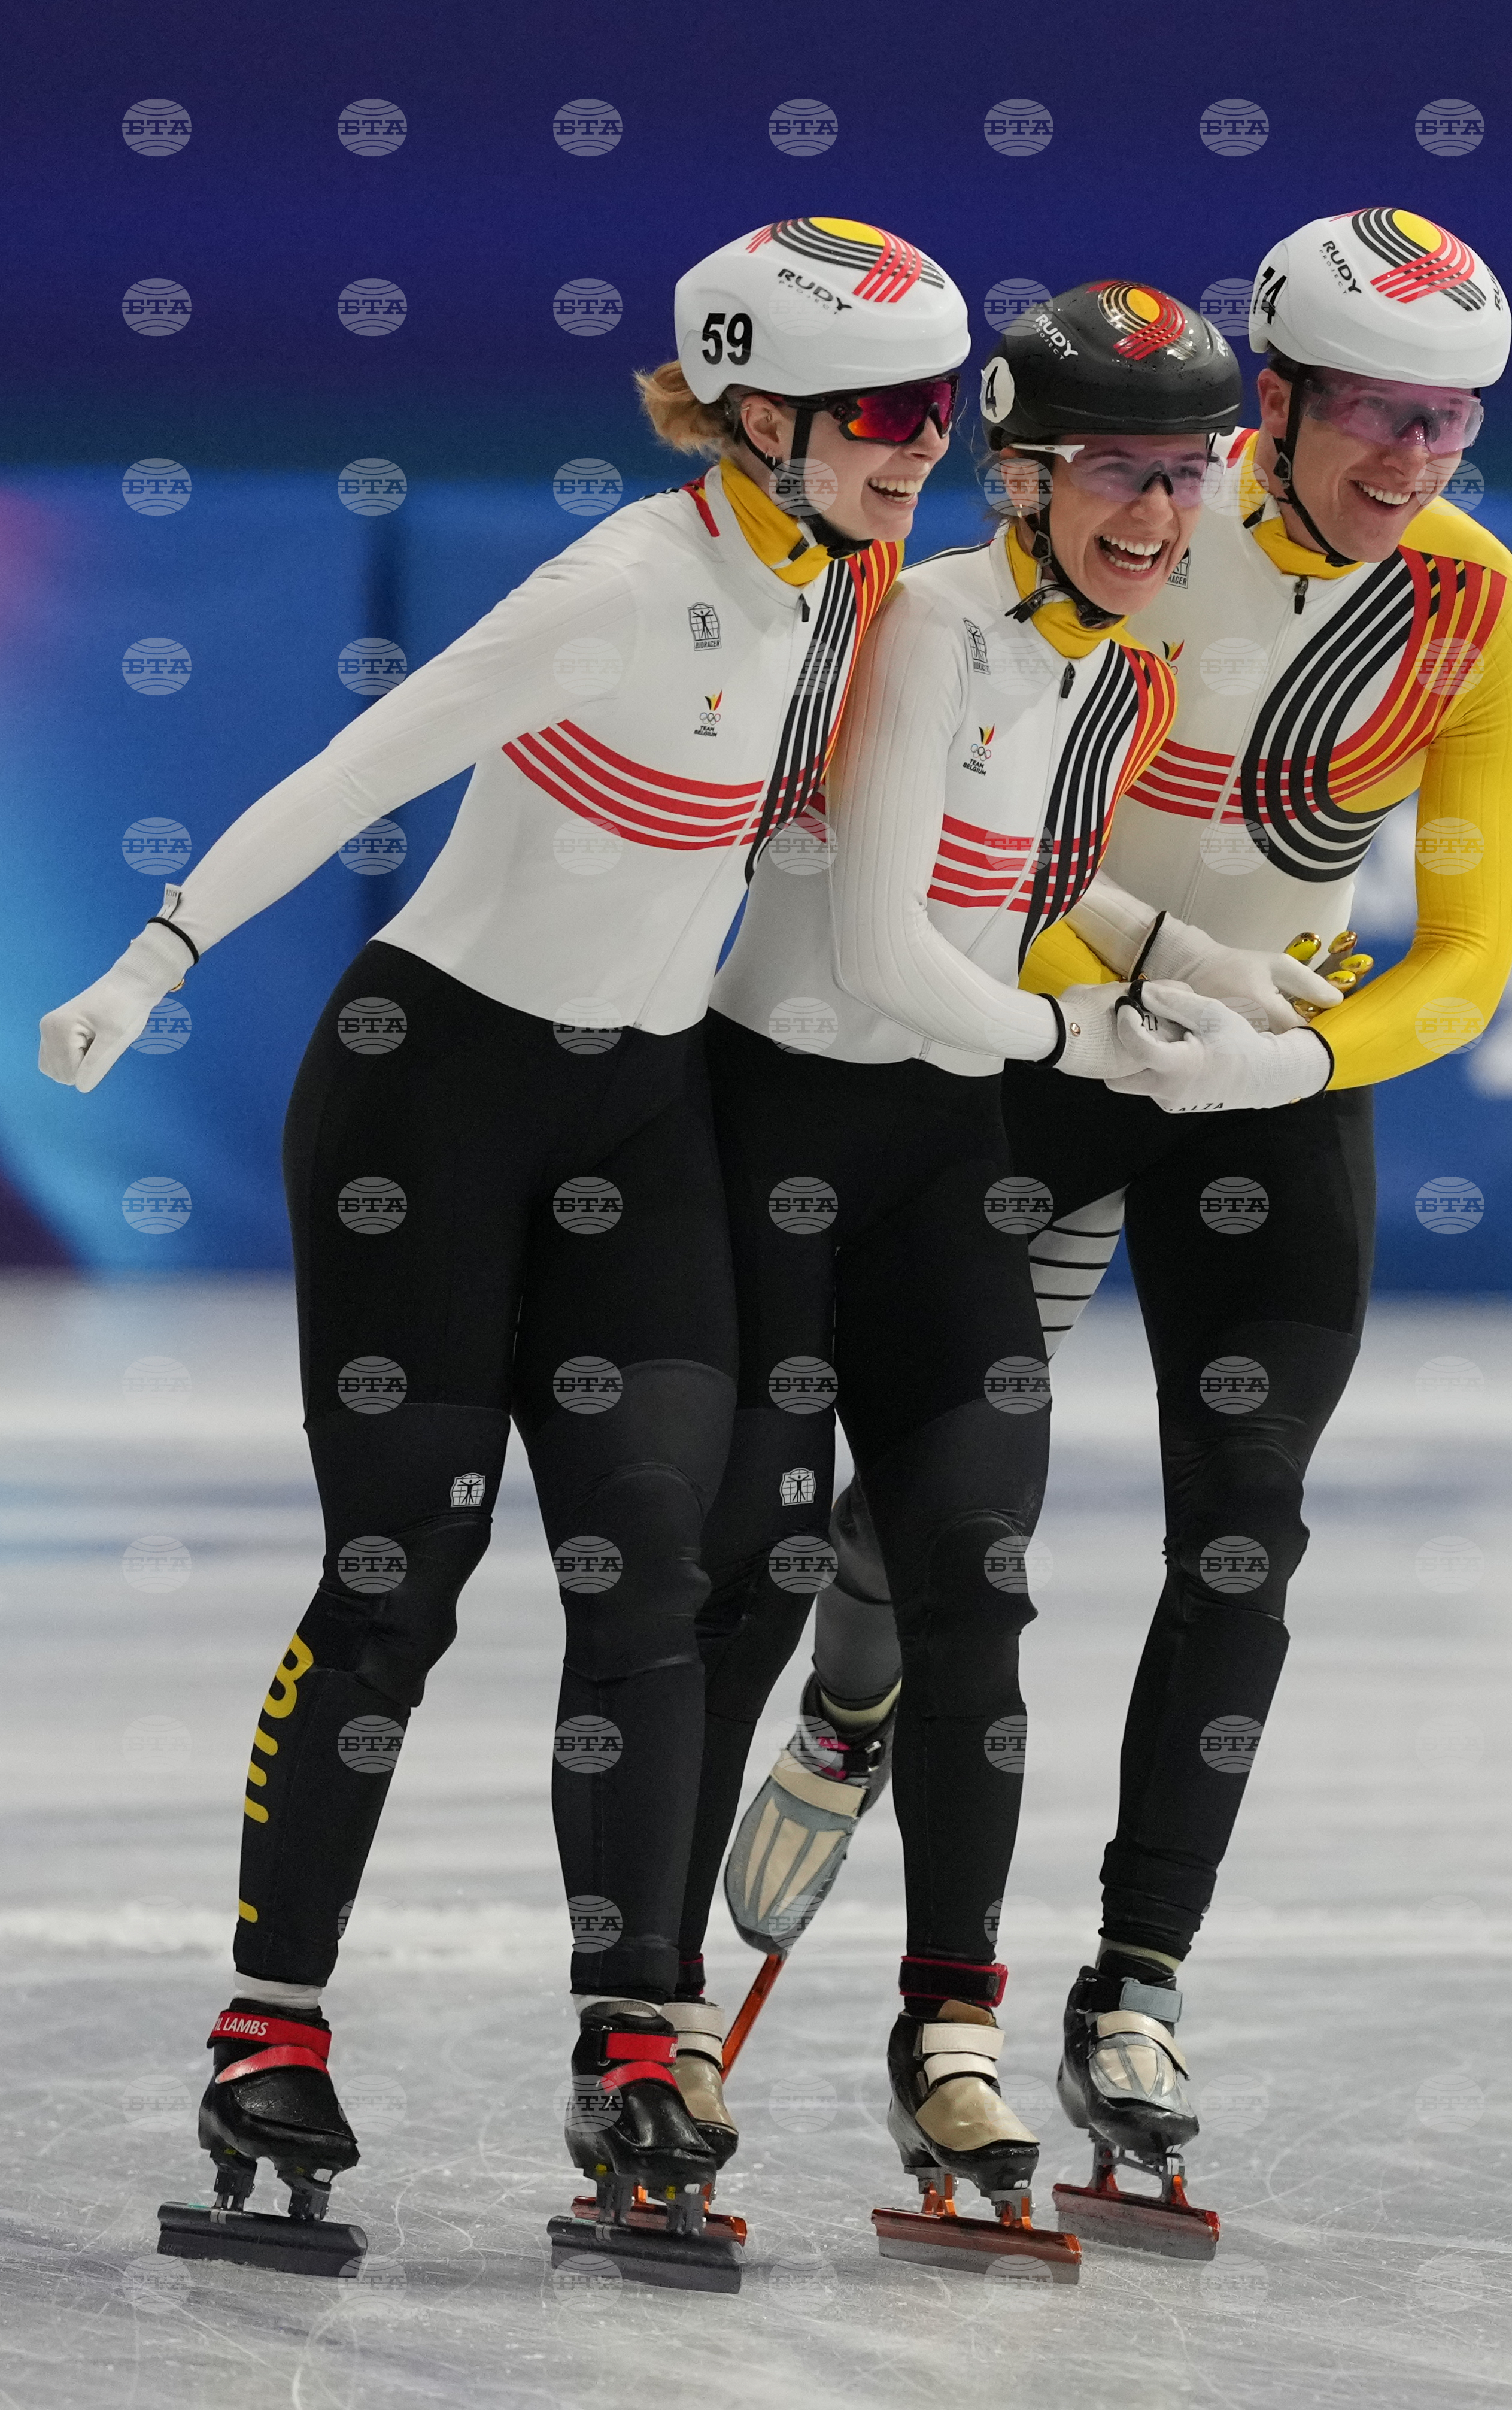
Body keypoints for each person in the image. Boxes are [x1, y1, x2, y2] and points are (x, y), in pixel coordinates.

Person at [38, 216, 968, 2267]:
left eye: (950, 406)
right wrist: (153, 955)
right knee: (401, 1580)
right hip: (429, 1100)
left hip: (634, 1115)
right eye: (891, 411)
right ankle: (266, 2023)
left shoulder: (846, 583)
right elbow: (352, 769)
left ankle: (633, 2036)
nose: (931, 445)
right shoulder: (615, 589)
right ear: (753, 407)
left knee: (652, 1568)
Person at [742, 213, 1512, 2226]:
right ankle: (857, 1691)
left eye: (1450, 423)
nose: (1412, 460)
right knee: (946, 1514)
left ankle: (1135, 1980)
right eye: (1374, 414)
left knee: (1244, 1525)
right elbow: (980, 832)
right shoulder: (1129, 525)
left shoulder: (1482, 610)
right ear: (1264, 397)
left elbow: (1467, 952)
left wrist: (1296, 1058)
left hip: (1271, 1075)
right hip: (1051, 1040)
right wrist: (1150, 964)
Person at [675, 282, 1251, 2235]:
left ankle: (950, 2031)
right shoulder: (926, 620)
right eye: (1118, 472)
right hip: (780, 1130)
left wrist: (1202, 968)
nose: (1159, 512)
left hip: (937, 1158)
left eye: (1186, 475)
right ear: (1018, 475)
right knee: (747, 1575)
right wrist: (1076, 1037)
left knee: (974, 1589)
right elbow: (881, 951)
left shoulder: (1106, 660)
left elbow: (1029, 876)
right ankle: (652, 2019)